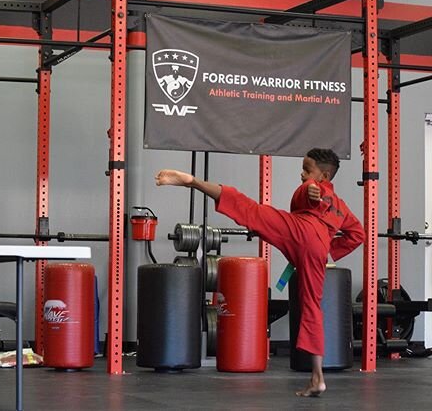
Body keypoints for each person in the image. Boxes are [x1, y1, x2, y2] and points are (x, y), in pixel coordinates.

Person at [155, 148, 364, 397]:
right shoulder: (340, 206)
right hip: (315, 249)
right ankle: (317, 378)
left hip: (300, 231)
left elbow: (314, 193)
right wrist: (328, 249)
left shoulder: (318, 188)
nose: (302, 174)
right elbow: (358, 234)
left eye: (307, 170)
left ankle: (193, 182)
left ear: (325, 176)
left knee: (249, 210)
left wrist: (313, 191)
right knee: (312, 307)